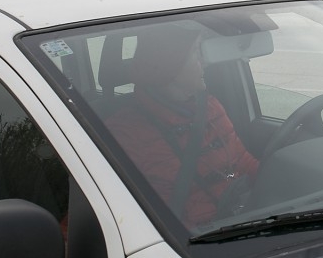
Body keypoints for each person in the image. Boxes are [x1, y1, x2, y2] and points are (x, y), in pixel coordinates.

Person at [105, 24, 259, 226]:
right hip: (190, 244)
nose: (205, 62)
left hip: (243, 220)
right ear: (171, 66)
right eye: (196, 53)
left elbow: (243, 161)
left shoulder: (211, 106)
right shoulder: (125, 133)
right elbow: (105, 208)